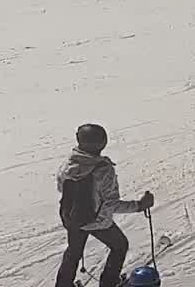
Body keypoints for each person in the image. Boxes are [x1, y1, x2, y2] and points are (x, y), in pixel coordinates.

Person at [55, 123, 153, 287]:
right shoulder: (103, 170)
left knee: (73, 252)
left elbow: (61, 188)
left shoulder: (68, 165)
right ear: (102, 144)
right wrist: (139, 205)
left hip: (72, 218)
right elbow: (112, 204)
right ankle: (109, 282)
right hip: (97, 221)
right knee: (120, 245)